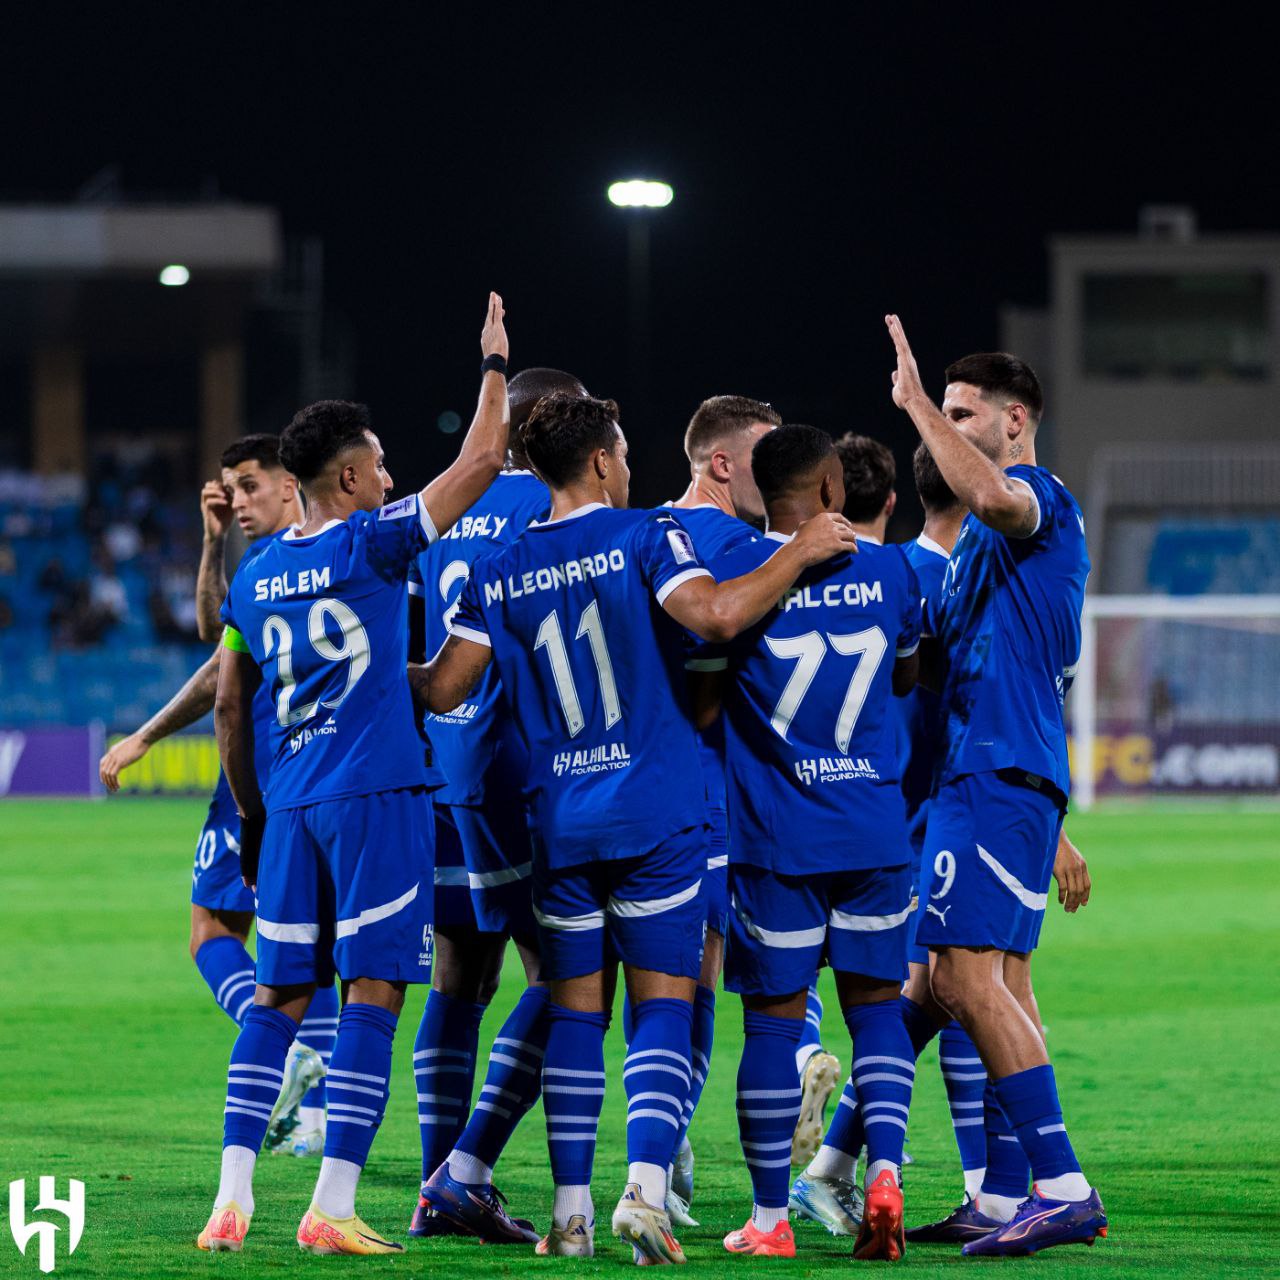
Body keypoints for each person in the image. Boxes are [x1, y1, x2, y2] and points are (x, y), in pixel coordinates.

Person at [412, 393, 857, 1263]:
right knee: (664, 1006)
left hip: (558, 821)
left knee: (575, 1014)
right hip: (656, 812)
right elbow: (718, 616)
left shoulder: (497, 567)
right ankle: (644, 1188)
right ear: (605, 463)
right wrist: (801, 549)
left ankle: (569, 1216)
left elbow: (441, 688)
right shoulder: (647, 535)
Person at [196, 292, 511, 1257]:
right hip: (378, 797)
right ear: (344, 474)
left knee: (280, 1001)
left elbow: (229, 705)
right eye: (376, 464)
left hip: (291, 808)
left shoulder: (253, 579)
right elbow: (483, 463)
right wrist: (495, 363)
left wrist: (255, 811)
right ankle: (332, 1206)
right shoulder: (373, 541)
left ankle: (231, 1198)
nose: (389, 475)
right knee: (375, 995)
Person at [883, 317, 1106, 1257]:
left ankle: (1064, 1187)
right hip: (993, 775)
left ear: (1016, 422)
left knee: (962, 980)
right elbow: (922, 665)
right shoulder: (977, 547)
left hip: (997, 773)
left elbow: (993, 497)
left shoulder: (1036, 501)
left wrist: (915, 404)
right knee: (996, 982)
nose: (948, 426)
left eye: (966, 413)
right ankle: (1007, 1194)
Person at [687, 425, 921, 1262]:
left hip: (778, 842)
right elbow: (904, 673)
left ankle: (768, 1219)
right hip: (874, 834)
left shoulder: (740, 587)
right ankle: (884, 1171)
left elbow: (706, 708)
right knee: (877, 1015)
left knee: (773, 1030)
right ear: (832, 489)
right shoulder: (894, 571)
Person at [98, 435, 339, 1155]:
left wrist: (144, 737)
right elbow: (216, 630)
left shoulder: (280, 562)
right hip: (324, 774)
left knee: (211, 929)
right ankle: (317, 1109)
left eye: (248, 487)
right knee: (309, 946)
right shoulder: (329, 553)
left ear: (292, 484)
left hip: (258, 773)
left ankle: (285, 1052)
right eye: (229, 491)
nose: (236, 503)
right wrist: (210, 545)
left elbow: (218, 673)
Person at [407, 369, 587, 1244]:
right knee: (562, 973)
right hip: (530, 763)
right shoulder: (545, 506)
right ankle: (466, 1174)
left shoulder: (447, 510)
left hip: (451, 765)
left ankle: (440, 1182)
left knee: (460, 975)